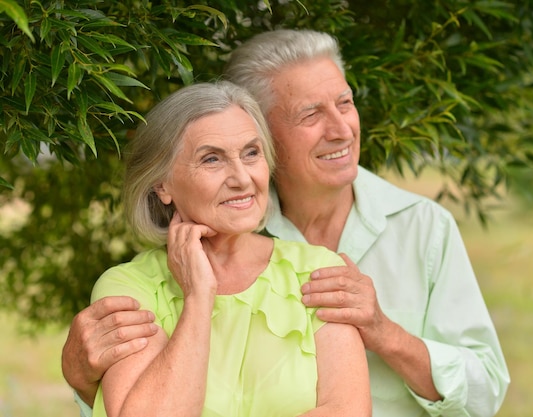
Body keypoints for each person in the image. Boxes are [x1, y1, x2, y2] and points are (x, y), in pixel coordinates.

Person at [62, 29, 510, 416]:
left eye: (345, 103)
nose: (341, 130)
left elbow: (485, 392)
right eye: (311, 114)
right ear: (265, 130)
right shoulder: (200, 241)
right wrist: (87, 384)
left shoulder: (421, 228)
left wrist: (383, 331)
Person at [81, 80, 371, 417]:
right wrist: (198, 298)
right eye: (212, 159)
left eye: (251, 153)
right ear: (162, 185)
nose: (242, 178)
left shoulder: (318, 270)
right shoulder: (128, 289)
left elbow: (348, 411)